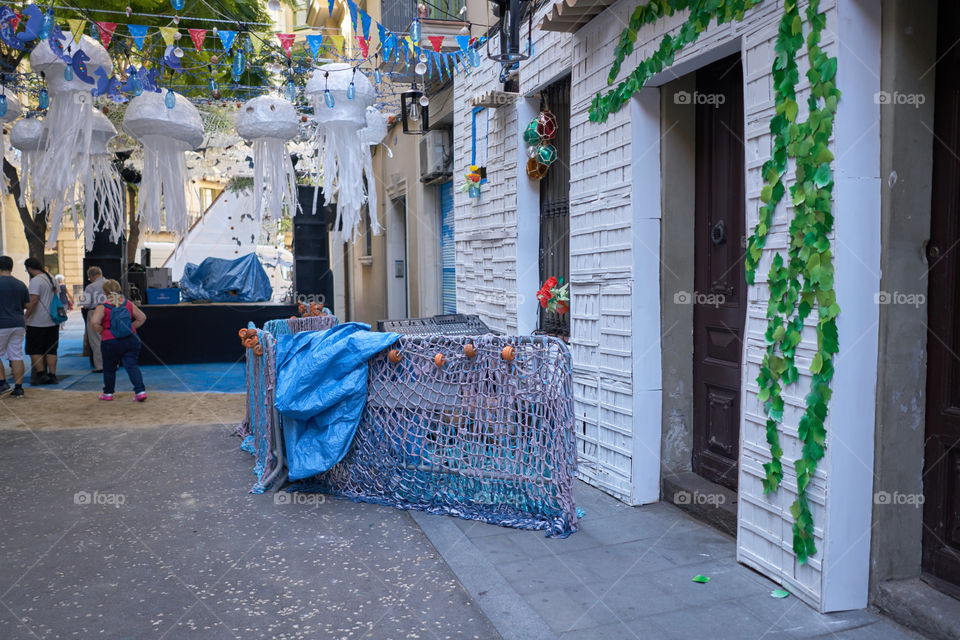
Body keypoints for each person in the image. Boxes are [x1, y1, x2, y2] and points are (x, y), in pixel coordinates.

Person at [90, 279, 147, 401]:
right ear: (119, 290)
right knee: (132, 366)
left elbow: (94, 322)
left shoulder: (102, 306)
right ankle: (140, 392)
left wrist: (102, 331)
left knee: (109, 367)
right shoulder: (128, 304)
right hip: (131, 340)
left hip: (110, 342)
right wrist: (130, 328)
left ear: (105, 292)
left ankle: (108, 394)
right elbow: (142, 318)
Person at [23, 257, 60, 385]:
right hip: (53, 320)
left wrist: (25, 317)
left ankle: (41, 374)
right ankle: (53, 374)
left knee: (34, 349)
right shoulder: (52, 278)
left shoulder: (36, 281)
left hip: (37, 322)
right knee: (51, 349)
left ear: (29, 268)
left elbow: (33, 302)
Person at [0, 256, 29, 397]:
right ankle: (18, 388)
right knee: (16, 355)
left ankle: (2, 383)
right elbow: (27, 305)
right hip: (18, 323)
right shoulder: (20, 284)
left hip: (2, 323)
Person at [80, 266, 106, 372]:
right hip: (110, 311)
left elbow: (86, 304)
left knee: (96, 340)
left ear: (91, 276)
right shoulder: (110, 283)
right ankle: (114, 363)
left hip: (94, 312)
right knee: (109, 338)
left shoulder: (90, 287)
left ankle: (100, 365)